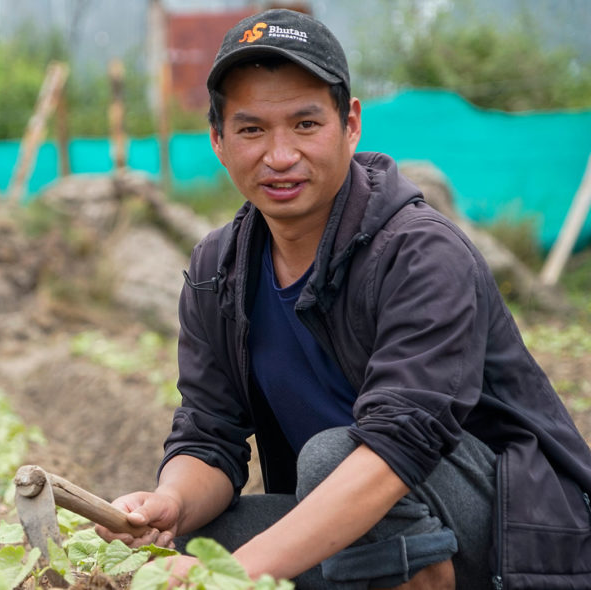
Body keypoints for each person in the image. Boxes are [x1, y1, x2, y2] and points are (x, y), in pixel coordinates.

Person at [95, 8, 591, 589]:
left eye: (305, 124)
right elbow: (209, 433)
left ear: (350, 124)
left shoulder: (420, 253)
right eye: (252, 129)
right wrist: (171, 503)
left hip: (512, 537)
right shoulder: (219, 268)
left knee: (331, 459)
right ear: (219, 141)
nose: (280, 156)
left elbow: (397, 448)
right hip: (360, 521)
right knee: (196, 540)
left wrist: (235, 576)